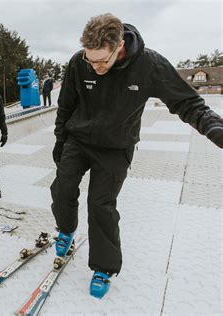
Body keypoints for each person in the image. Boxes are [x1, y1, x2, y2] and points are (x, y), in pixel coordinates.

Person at [51, 13, 223, 299]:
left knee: (101, 205)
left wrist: (214, 127)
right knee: (62, 188)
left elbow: (187, 102)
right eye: (89, 60)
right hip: (79, 139)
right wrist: (60, 141)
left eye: (101, 61)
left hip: (117, 146)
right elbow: (66, 104)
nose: (94, 67)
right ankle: (66, 229)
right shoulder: (79, 63)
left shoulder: (149, 65)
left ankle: (104, 268)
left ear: (119, 46)